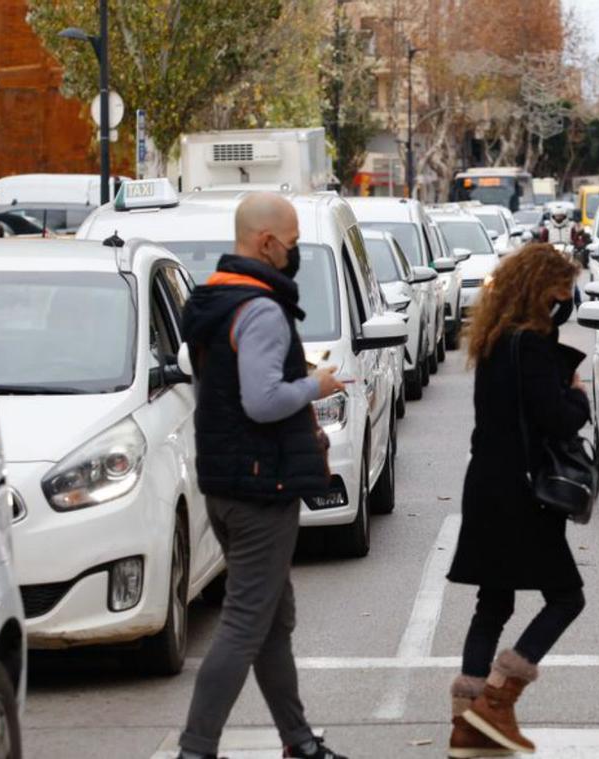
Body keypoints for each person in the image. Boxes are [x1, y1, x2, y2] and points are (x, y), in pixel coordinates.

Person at [176, 193, 347, 759]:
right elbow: (263, 400)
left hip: (228, 482)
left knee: (272, 619)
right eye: (293, 243)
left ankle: (298, 742)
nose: (294, 253)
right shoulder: (262, 310)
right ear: (266, 243)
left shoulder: (216, 300)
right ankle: (195, 750)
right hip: (261, 486)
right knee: (247, 625)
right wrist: (314, 386)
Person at [446, 243, 589, 758]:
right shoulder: (530, 344)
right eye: (562, 291)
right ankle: (497, 701)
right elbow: (555, 417)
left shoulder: (493, 340)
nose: (566, 301)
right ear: (539, 289)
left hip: (487, 483)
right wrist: (577, 394)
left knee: (494, 603)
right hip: (521, 493)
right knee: (567, 597)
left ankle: (466, 727)